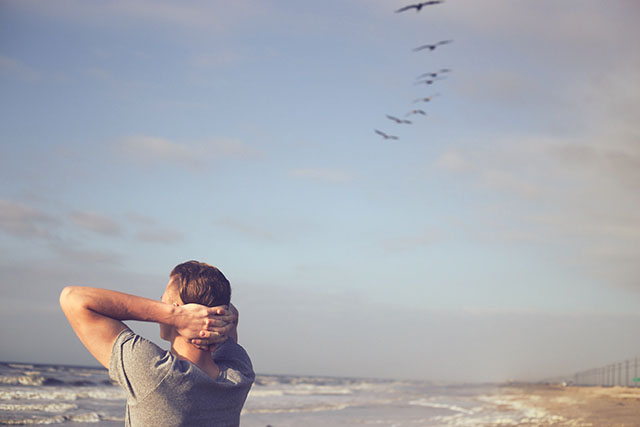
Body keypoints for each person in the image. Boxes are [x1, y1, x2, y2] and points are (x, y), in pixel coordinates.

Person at [60, 260, 254, 426]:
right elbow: (232, 314)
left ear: (180, 310)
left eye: (163, 301)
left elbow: (73, 298)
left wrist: (175, 316)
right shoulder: (238, 371)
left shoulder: (156, 373)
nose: (159, 303)